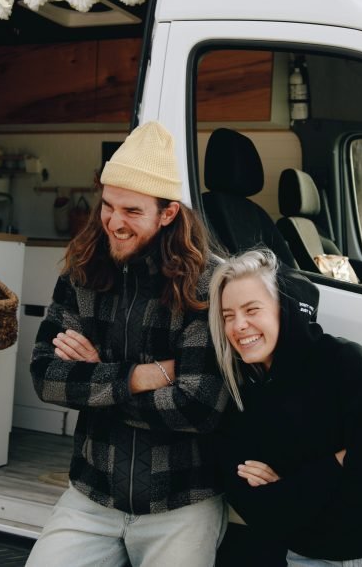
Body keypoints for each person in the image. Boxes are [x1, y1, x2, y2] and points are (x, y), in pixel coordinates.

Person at [28, 121, 229, 567]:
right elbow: (46, 379)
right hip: (91, 496)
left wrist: (96, 381)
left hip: (183, 502)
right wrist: (143, 375)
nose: (114, 223)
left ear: (168, 213)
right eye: (108, 206)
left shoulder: (207, 284)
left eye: (132, 211)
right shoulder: (81, 274)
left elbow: (199, 407)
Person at [208, 249, 362, 566]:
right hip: (310, 558)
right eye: (228, 316)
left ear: (285, 310)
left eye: (252, 310)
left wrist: (288, 486)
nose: (239, 326)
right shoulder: (236, 392)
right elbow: (260, 513)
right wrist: (337, 462)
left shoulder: (348, 363)